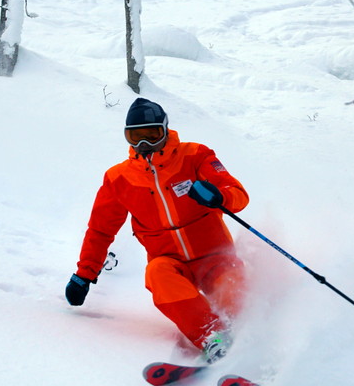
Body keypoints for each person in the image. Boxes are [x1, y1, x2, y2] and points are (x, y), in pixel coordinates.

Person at [65, 98, 249, 363]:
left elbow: (238, 194)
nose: (144, 145)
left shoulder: (195, 155)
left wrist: (220, 197)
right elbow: (100, 230)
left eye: (152, 135)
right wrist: (84, 275)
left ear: (165, 130)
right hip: (171, 264)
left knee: (235, 300)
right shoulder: (119, 178)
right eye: (135, 137)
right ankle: (211, 336)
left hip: (215, 258)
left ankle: (248, 335)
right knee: (157, 274)